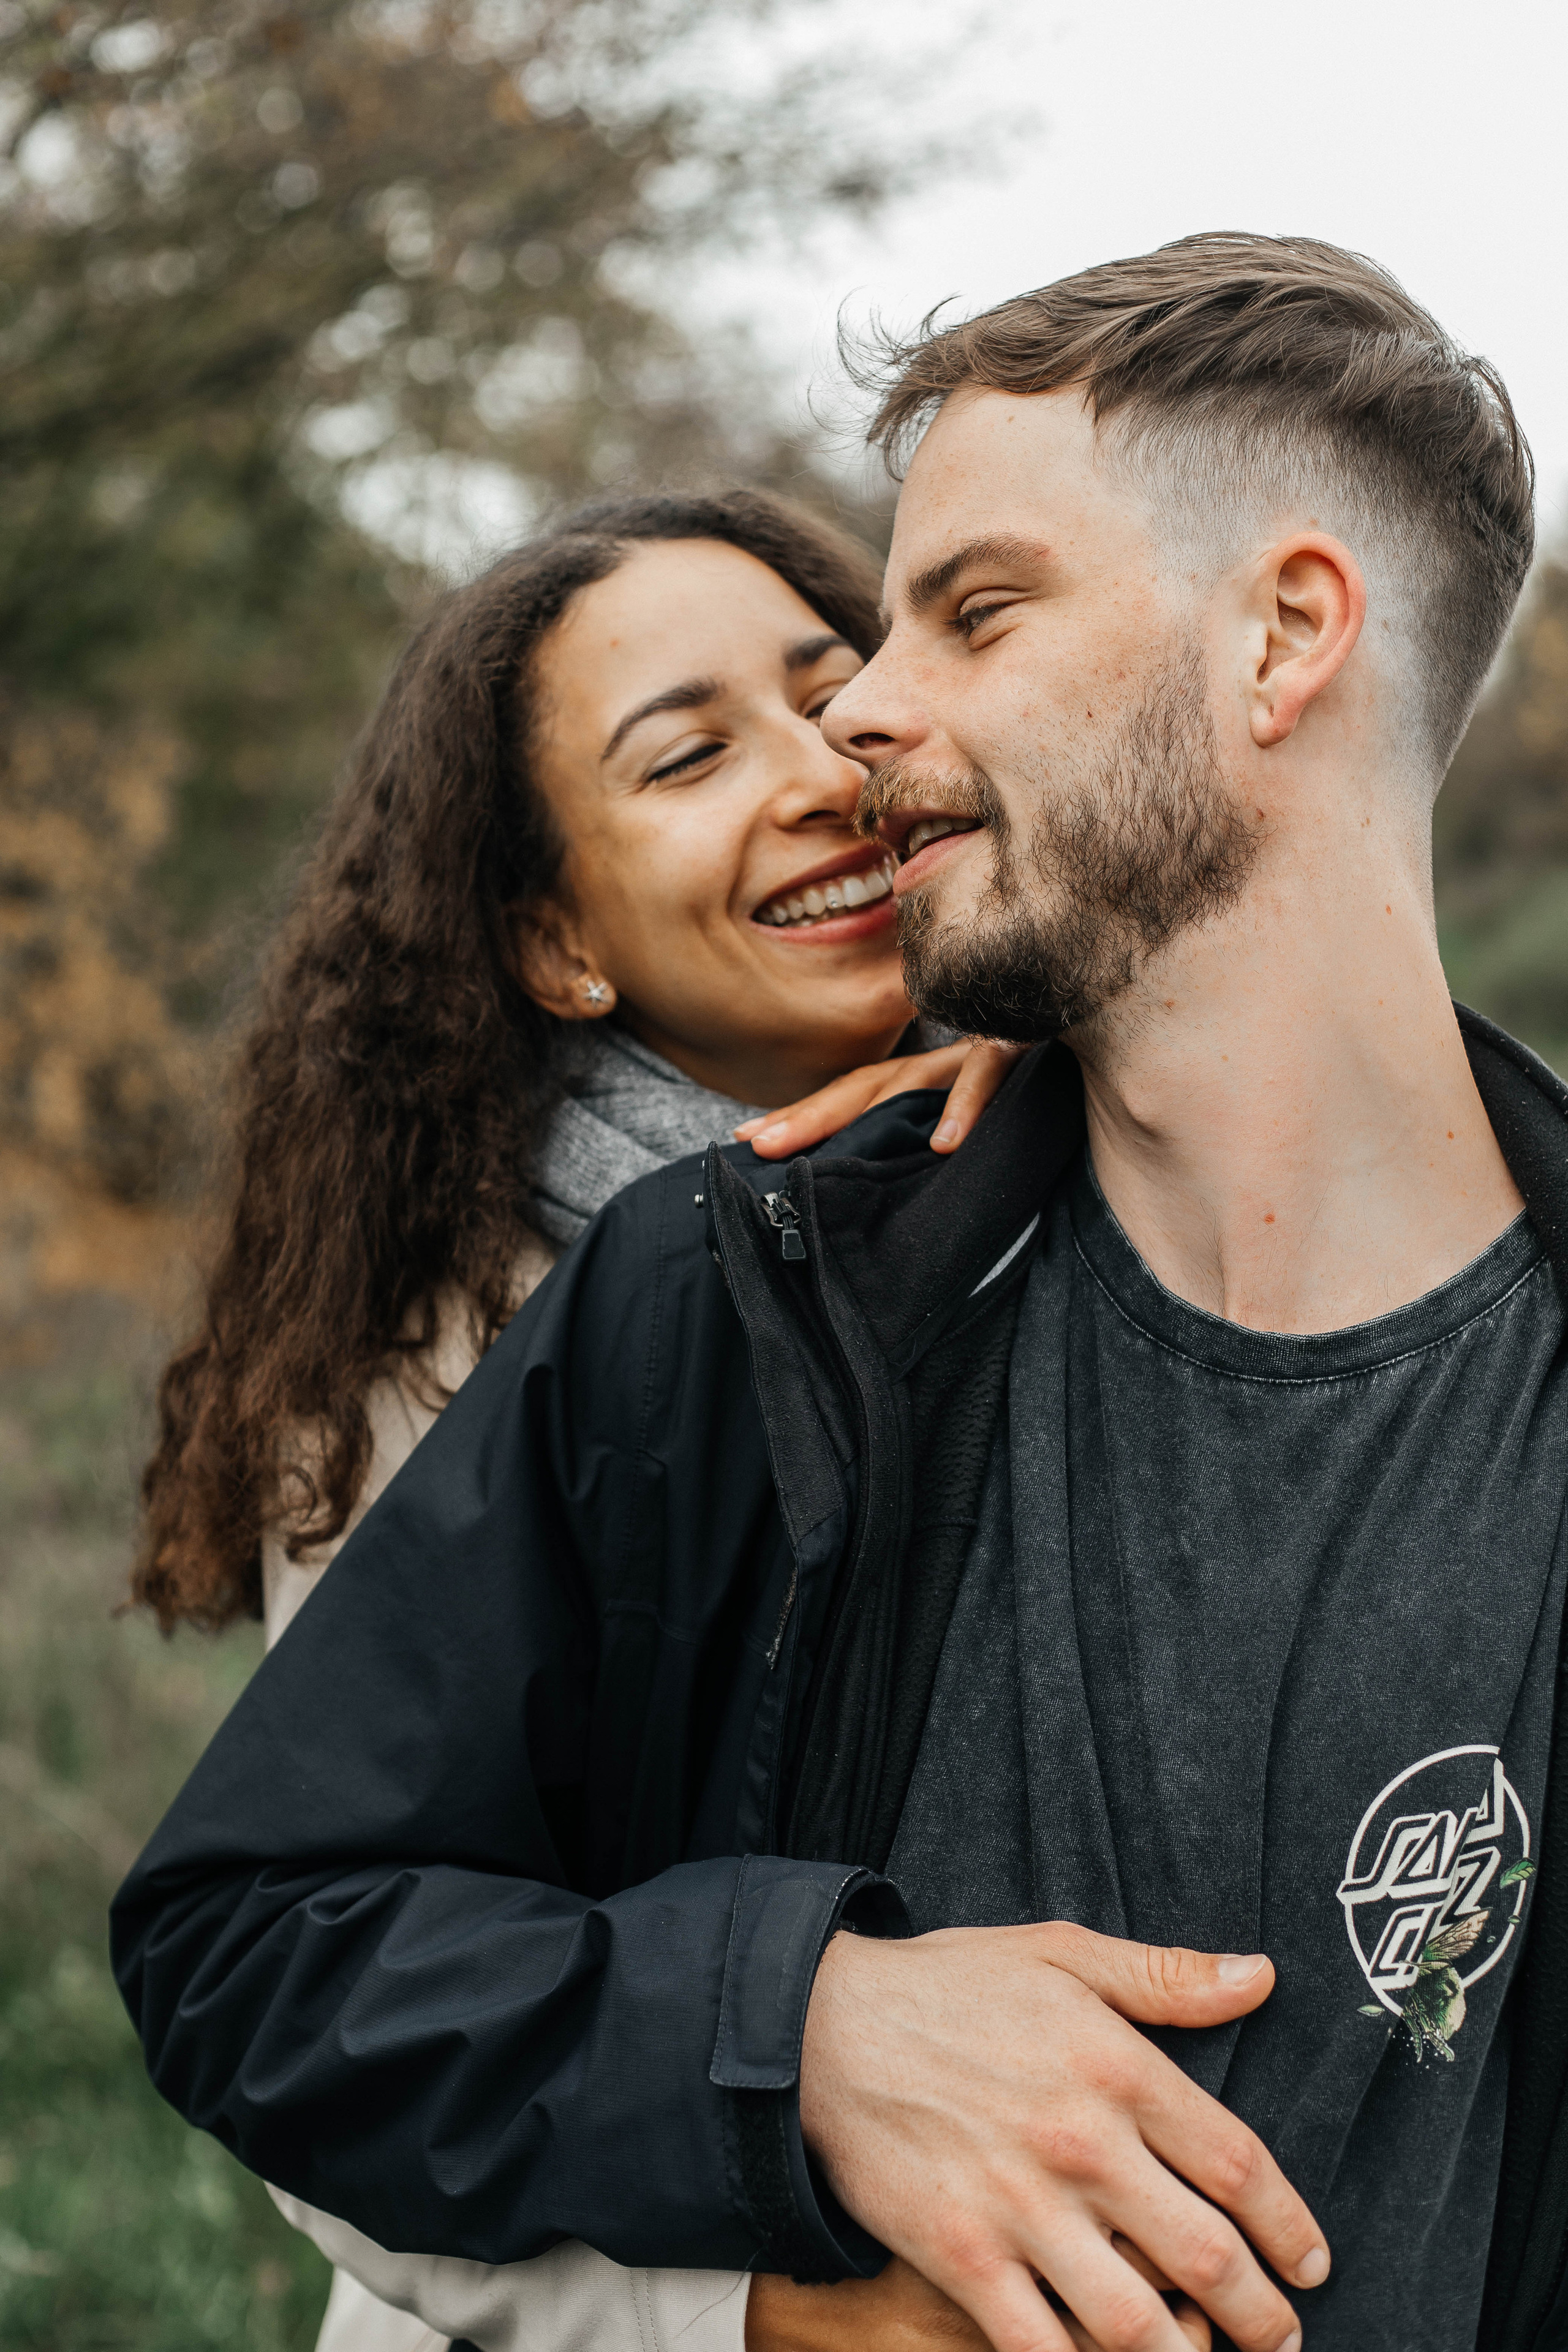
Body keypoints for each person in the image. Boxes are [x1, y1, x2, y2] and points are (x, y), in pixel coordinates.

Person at [111, 235, 1568, 2352]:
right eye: (692, 751)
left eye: (965, 614)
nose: (860, 729)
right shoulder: (709, 1300)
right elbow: (269, 1950)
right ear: (559, 945)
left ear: (1285, 636)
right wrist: (803, 2030)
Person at [130, 486, 1016, 2352]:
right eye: (689, 756)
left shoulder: (1097, 1167)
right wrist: (750, 2321)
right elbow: (336, 2008)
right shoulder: (461, 1359)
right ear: (562, 949)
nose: (826, 769)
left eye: (833, 689)